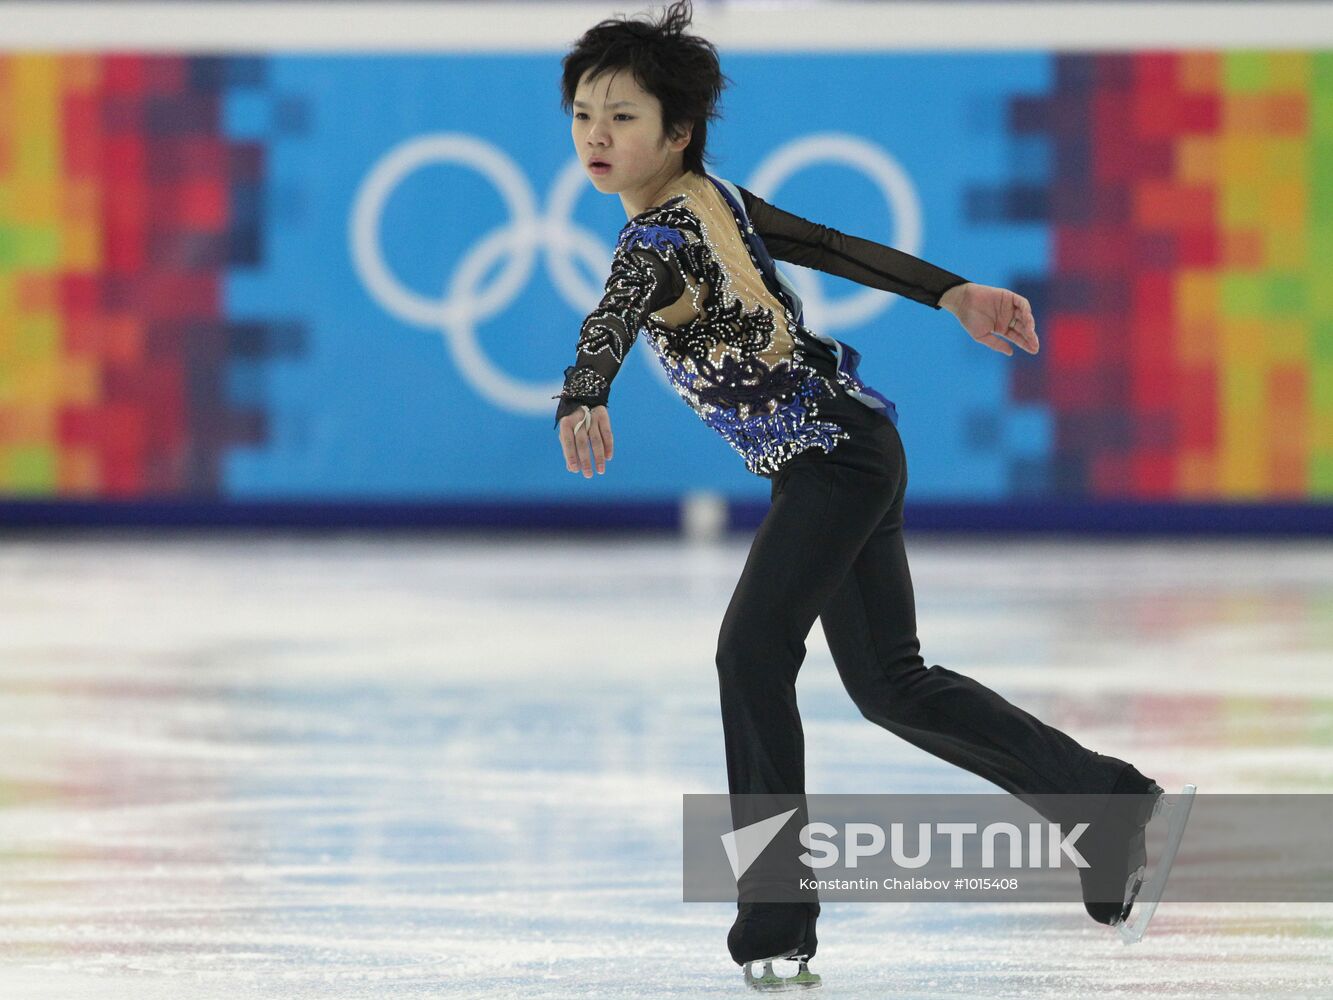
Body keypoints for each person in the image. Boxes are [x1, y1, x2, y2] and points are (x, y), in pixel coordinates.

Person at [551, 0, 1163, 988]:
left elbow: (617, 312)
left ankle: (774, 919)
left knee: (750, 654)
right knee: (890, 683)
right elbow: (828, 248)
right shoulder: (720, 203)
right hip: (849, 448)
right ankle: (1101, 797)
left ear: (676, 132)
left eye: (622, 116)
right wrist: (951, 290)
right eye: (583, 114)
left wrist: (584, 388)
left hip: (835, 458)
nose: (596, 136)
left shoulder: (659, 238)